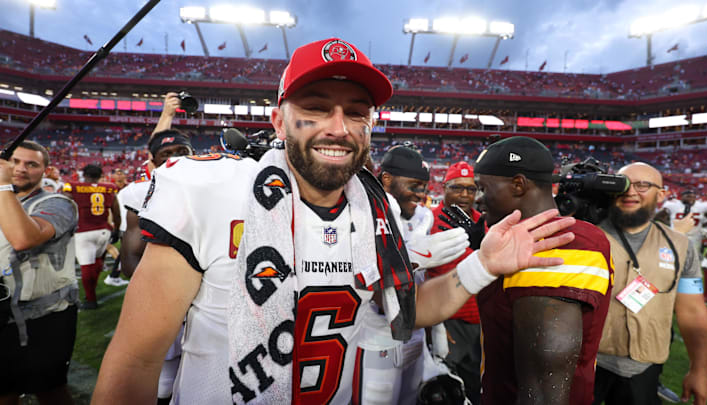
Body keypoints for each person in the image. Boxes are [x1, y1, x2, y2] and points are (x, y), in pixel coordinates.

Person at [92, 37, 576, 404]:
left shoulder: (375, 206)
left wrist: (483, 266)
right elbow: (136, 359)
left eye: (356, 112)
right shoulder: (214, 194)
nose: (339, 127)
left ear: (370, 126)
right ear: (279, 121)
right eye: (317, 108)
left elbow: (403, 313)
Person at [471, 136, 614, 405]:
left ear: (518, 184)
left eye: (483, 188)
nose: (478, 200)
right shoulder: (519, 239)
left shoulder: (558, 244)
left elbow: (543, 392)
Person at [356, 146, 470, 404]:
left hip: (415, 334)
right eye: (414, 185)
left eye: (424, 186)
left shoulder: (423, 217)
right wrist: (408, 259)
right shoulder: (364, 212)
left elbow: (421, 282)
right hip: (377, 336)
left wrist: (436, 329)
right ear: (386, 179)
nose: (421, 194)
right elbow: (360, 280)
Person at [593, 162, 707, 405]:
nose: (630, 191)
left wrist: (699, 370)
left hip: (643, 367)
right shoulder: (586, 235)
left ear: (662, 194)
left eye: (642, 185)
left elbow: (693, 312)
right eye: (623, 183)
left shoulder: (680, 245)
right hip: (585, 364)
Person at [0, 141, 79, 405]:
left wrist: (2, 186)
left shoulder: (58, 203)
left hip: (45, 315)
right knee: (4, 388)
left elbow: (24, 238)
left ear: (45, 170)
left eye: (31, 164)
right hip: (3, 310)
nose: (21, 169)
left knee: (49, 389)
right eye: (15, 161)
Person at [117, 92, 193, 279]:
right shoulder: (141, 193)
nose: (175, 158)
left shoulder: (209, 181)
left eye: (182, 152)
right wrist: (167, 115)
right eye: (166, 155)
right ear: (154, 161)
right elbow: (131, 260)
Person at [427, 161, 484, 404]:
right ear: (444, 187)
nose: (464, 195)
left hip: (480, 324)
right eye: (457, 188)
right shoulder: (427, 221)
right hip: (445, 322)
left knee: (475, 387)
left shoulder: (483, 222)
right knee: (444, 390)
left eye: (470, 189)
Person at [63, 164, 119, 309]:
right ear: (101, 175)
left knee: (86, 265)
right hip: (104, 230)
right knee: (97, 261)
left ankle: (91, 299)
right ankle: (91, 292)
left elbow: (64, 203)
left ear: (84, 174)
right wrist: (117, 229)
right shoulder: (109, 188)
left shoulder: (72, 186)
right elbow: (116, 210)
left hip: (84, 230)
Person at [661, 189, 707, 254]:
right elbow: (658, 216)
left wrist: (702, 225)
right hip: (676, 235)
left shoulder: (701, 206)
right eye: (688, 196)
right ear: (681, 197)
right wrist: (671, 224)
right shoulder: (673, 204)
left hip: (694, 237)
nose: (691, 198)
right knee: (674, 254)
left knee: (693, 256)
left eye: (694, 197)